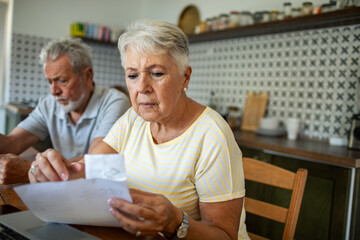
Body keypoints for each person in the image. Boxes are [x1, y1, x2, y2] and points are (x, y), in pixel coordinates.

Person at [29, 20, 249, 240]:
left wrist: (174, 222)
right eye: (133, 76)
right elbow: (89, 168)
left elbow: (225, 236)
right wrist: (51, 168)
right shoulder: (134, 118)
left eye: (157, 74)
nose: (142, 88)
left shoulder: (212, 135)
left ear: (185, 77)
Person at [0, 38, 130, 184]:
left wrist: (31, 170)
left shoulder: (115, 102)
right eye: (50, 82)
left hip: (101, 190)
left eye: (62, 80)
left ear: (87, 76)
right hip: (64, 190)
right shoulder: (49, 104)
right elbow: (12, 143)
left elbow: (94, 161)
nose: (53, 91)